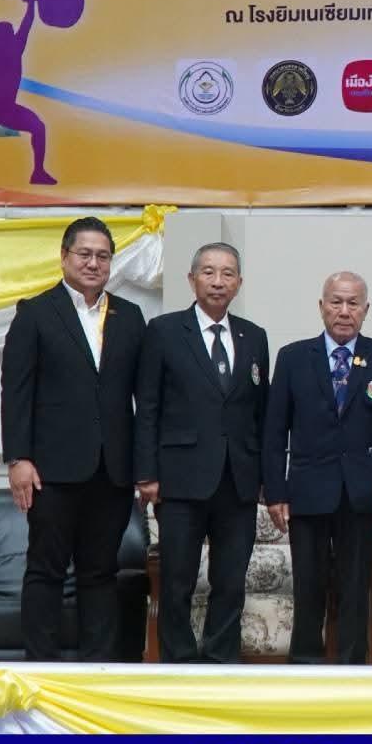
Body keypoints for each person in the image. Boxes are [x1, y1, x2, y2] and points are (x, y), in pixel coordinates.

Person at [0, 217, 145, 658]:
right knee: (45, 570)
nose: (93, 263)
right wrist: (18, 459)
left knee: (100, 573)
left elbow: (144, 397)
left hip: (113, 470)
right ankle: (41, 670)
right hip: (51, 470)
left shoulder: (129, 316)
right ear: (64, 257)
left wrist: (145, 466)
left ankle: (96, 669)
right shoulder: (35, 313)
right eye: (85, 254)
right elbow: (16, 391)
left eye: (103, 256)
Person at [263, 272, 372, 664]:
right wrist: (275, 491)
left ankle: (352, 671)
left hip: (363, 494)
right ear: (322, 306)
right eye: (336, 302)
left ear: (366, 309)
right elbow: (274, 432)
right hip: (307, 491)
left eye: (353, 303)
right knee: (307, 586)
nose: (344, 311)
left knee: (355, 587)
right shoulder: (293, 358)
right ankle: (304, 667)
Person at [133, 242, 270, 663]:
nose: (217, 281)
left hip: (238, 480)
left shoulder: (254, 336)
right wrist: (146, 473)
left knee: (230, 580)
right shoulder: (164, 331)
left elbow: (260, 413)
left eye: (227, 273)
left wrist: (265, 478)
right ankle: (177, 663)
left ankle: (220, 661)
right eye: (208, 272)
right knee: (177, 579)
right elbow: (147, 406)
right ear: (191, 279)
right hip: (180, 478)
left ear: (239, 283)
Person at [0, 0, 55, 184]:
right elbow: (25, 27)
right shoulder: (10, 49)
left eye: (10, 33)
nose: (11, 36)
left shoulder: (15, 48)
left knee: (38, 127)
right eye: (6, 34)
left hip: (7, 110)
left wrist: (30, 5)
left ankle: (38, 173)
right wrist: (30, 5)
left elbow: (27, 24)